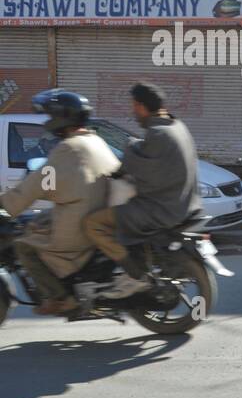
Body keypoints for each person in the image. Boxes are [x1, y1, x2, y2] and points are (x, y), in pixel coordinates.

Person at [0, 89, 120, 315]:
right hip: (95, 216)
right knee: (35, 222)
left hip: (76, 225)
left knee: (23, 246)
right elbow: (54, 183)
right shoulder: (94, 141)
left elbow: (33, 187)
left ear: (61, 118)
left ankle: (61, 298)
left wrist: (4, 204)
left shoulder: (68, 149)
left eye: (50, 116)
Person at [84, 82, 202, 298]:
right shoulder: (176, 125)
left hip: (160, 209)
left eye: (133, 106)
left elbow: (137, 166)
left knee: (94, 223)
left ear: (140, 106)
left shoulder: (157, 134)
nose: (133, 112)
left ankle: (134, 275)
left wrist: (128, 149)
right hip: (184, 203)